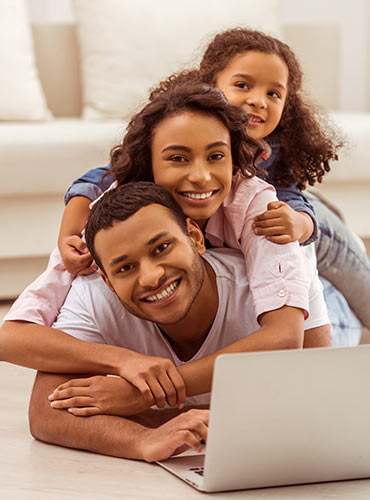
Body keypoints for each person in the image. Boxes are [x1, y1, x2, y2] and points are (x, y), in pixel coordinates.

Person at [62, 28, 366, 341]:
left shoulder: (273, 154)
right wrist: (70, 235)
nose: (258, 100)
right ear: (210, 87)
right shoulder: (174, 135)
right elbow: (98, 179)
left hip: (304, 220)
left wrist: (301, 224)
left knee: (348, 276)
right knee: (318, 295)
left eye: (273, 94)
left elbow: (291, 196)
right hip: (252, 221)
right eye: (243, 85)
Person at [28, 181, 330, 462]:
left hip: (314, 271)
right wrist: (144, 439)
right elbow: (45, 413)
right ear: (106, 280)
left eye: (161, 248)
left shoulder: (278, 282)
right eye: (125, 268)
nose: (151, 277)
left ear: (196, 237)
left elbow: (318, 402)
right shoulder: (93, 294)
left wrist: (141, 401)